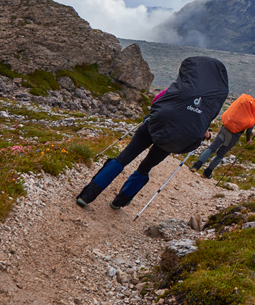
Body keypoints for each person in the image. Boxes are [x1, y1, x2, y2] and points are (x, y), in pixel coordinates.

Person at [76, 56, 229, 209]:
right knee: (145, 168)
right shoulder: (210, 102)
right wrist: (207, 134)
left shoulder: (181, 87)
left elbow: (157, 100)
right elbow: (201, 126)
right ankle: (119, 202)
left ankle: (87, 195)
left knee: (124, 157)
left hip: (154, 125)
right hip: (173, 139)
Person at [190, 93, 255, 178]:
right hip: (233, 136)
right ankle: (206, 173)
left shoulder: (243, 107)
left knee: (212, 147)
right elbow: (248, 131)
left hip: (224, 129)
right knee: (220, 154)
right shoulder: (254, 116)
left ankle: (196, 166)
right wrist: (248, 139)